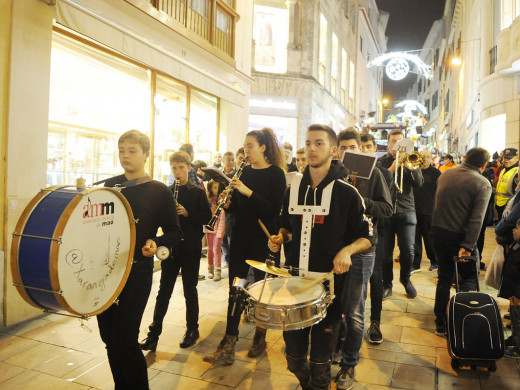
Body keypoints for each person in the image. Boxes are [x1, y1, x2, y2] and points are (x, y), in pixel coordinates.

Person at [267, 124, 372, 390]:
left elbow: (369, 235)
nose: (311, 149)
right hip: (294, 283)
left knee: (321, 360)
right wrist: (280, 237)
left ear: (334, 151)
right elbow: (287, 227)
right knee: (293, 358)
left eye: (319, 143)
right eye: (308, 143)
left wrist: (347, 251)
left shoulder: (347, 193)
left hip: (329, 287)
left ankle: (318, 384)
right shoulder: (292, 189)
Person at [99, 130, 182, 390]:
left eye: (132, 151)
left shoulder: (159, 191)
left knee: (124, 337)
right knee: (109, 338)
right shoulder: (108, 186)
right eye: (121, 150)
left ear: (146, 155)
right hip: (104, 274)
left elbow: (175, 232)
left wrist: (155, 243)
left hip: (136, 272)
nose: (125, 155)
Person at [203, 128, 286, 364]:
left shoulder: (276, 174)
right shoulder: (244, 172)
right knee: (236, 288)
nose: (246, 150)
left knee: (262, 288)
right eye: (245, 146)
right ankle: (228, 343)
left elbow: (272, 209)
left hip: (263, 239)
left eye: (250, 146)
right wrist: (228, 203)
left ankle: (261, 334)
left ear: (262, 147)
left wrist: (246, 191)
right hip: (240, 236)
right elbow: (239, 207)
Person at [335, 129, 392, 389]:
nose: (347, 151)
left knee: (356, 310)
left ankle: (349, 363)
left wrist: (361, 201)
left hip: (364, 249)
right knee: (335, 306)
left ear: (359, 148)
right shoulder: (333, 172)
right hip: (335, 249)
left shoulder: (375, 173)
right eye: (342, 147)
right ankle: (337, 346)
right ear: (337, 150)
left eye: (351, 147)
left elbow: (387, 209)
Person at [140, 151, 212, 351]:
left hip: (190, 247)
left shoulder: (197, 192)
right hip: (171, 248)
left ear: (189, 168)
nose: (178, 171)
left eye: (181, 167)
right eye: (174, 168)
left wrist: (187, 213)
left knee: (190, 289)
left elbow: (207, 218)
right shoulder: (167, 191)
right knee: (164, 291)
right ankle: (153, 334)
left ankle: (192, 329)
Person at [431, 147, 492, 335]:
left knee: (445, 276)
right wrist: (467, 245)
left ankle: (440, 320)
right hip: (460, 236)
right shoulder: (482, 183)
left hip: (438, 232)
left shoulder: (445, 174)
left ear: (465, 158)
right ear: (483, 165)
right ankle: (463, 318)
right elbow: (477, 219)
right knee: (469, 276)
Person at [378, 129, 423, 299]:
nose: (397, 145)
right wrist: (393, 167)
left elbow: (419, 183)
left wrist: (409, 167)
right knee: (385, 253)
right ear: (388, 143)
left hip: (407, 211)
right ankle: (387, 283)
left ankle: (406, 279)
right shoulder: (381, 162)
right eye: (393, 141)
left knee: (408, 251)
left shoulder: (411, 160)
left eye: (400, 141)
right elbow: (379, 182)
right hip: (386, 211)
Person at [360, 132, 394, 344]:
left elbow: (386, 207)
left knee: (375, 276)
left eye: (368, 146)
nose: (363, 150)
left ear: (374, 148)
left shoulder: (382, 173)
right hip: (350, 235)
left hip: (376, 233)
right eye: (360, 146)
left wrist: (363, 202)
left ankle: (375, 323)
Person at [412, 149, 441, 272]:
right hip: (413, 210)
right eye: (422, 157)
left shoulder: (436, 173)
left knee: (430, 239)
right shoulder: (413, 170)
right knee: (415, 239)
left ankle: (434, 261)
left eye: (428, 157)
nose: (425, 159)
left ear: (431, 159)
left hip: (429, 210)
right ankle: (415, 264)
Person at [499, 219, 520, 358]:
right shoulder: (517, 244)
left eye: (517, 227)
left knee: (519, 317)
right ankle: (515, 337)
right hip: (514, 293)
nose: (514, 229)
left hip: (518, 294)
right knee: (514, 314)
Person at [205, 179, 225, 281]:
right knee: (210, 249)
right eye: (214, 187)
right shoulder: (208, 200)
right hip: (209, 228)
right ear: (210, 188)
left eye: (218, 187)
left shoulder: (221, 200)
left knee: (216, 249)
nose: (216, 190)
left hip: (218, 229)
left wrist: (220, 231)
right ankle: (210, 269)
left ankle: (218, 270)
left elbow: (222, 218)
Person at [495, 148, 519, 220]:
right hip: (500, 205)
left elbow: (517, 195)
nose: (505, 160)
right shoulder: (503, 170)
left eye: (509, 158)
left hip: (509, 208)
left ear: (516, 158)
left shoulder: (517, 173)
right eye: (505, 158)